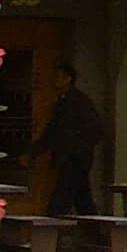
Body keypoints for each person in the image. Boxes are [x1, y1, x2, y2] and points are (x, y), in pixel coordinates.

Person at [40, 60, 107, 219]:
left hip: (76, 158)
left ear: (67, 79)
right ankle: (98, 237)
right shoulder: (61, 103)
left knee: (60, 201)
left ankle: (48, 235)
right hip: (68, 157)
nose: (54, 81)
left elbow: (95, 129)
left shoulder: (79, 102)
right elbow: (52, 132)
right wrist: (35, 152)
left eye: (58, 77)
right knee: (83, 201)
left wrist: (78, 148)